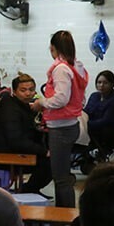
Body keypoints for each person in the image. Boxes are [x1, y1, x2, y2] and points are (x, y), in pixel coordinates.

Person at [32, 30, 89, 208]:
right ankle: (63, 217)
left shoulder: (61, 69)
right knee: (62, 175)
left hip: (61, 129)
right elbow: (81, 98)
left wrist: (41, 102)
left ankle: (66, 221)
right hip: (70, 125)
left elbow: (61, 98)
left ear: (54, 48)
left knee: (61, 178)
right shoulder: (76, 67)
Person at [0, 73, 52, 194]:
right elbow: (16, 140)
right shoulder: (10, 109)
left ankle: (29, 189)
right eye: (23, 90)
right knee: (49, 164)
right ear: (14, 91)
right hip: (8, 152)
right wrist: (43, 151)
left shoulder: (18, 104)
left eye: (31, 90)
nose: (28, 93)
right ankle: (28, 191)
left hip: (15, 148)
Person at [84, 69, 114, 159]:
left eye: (105, 83)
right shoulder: (94, 96)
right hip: (91, 127)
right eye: (99, 82)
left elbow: (107, 121)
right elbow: (86, 112)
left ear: (112, 84)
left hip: (106, 131)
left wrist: (87, 124)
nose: (101, 85)